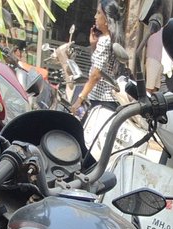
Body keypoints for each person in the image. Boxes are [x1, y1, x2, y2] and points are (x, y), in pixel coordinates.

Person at [75, 0, 124, 159]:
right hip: (109, 101)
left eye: (98, 13)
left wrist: (80, 99)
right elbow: (101, 68)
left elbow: (95, 75)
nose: (95, 17)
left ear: (107, 19)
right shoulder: (113, 39)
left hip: (99, 101)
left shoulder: (105, 41)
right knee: (96, 145)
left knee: (86, 143)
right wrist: (93, 45)